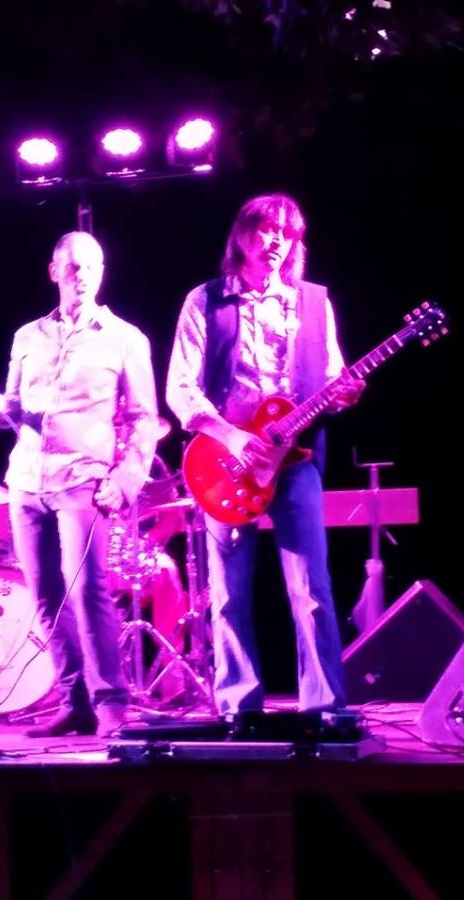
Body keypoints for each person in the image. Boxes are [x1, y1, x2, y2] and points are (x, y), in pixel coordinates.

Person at [166, 193, 365, 716]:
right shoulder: (205, 300)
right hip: (225, 461)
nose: (277, 241)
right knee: (229, 594)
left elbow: (329, 378)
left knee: (312, 590)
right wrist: (231, 436)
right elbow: (180, 389)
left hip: (295, 461)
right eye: (266, 229)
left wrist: (343, 394)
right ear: (242, 235)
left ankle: (324, 709)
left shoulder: (313, 303)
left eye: (287, 233)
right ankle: (238, 707)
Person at [0, 231, 159, 736]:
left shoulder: (125, 339)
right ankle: (75, 702)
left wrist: (126, 478)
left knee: (88, 589)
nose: (82, 275)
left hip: (83, 480)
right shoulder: (28, 337)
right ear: (54, 272)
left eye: (92, 266)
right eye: (73, 267)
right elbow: (15, 410)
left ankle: (111, 702)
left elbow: (144, 419)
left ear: (102, 272)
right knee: (45, 595)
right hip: (27, 479)